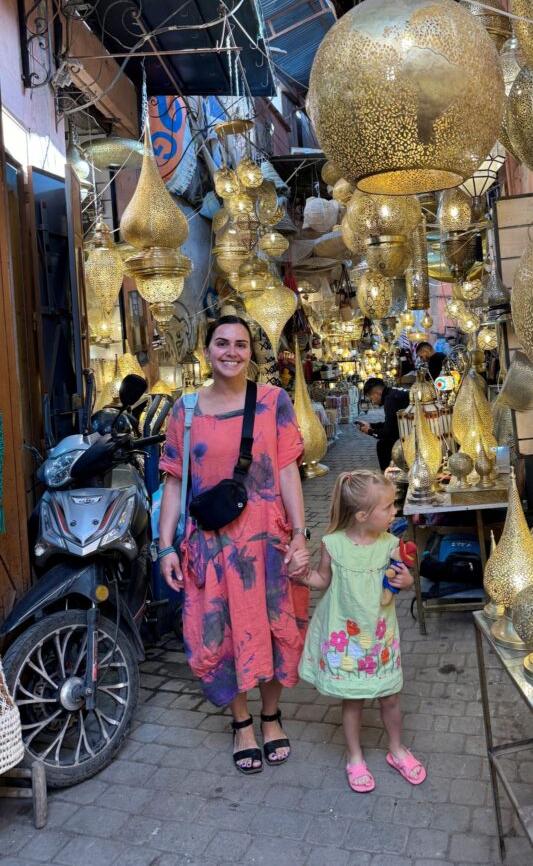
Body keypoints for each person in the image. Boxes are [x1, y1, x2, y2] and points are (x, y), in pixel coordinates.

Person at [158, 315, 310, 775]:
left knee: (277, 626)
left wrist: (301, 534)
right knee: (218, 633)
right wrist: (164, 547)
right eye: (222, 343)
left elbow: (287, 471)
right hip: (212, 546)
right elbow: (172, 482)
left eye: (241, 344)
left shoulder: (273, 401)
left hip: (268, 541)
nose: (231, 351)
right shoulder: (184, 411)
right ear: (206, 351)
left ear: (251, 353)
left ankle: (271, 716)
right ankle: (241, 721)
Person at [291, 470, 426, 793]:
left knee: (390, 696)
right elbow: (322, 581)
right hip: (347, 639)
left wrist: (406, 582)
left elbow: (402, 578)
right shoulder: (333, 545)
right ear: (363, 515)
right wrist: (300, 576)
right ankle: (354, 756)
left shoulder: (391, 544)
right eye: (389, 507)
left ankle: (396, 749)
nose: (395, 512)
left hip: (380, 638)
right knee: (353, 700)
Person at [356, 378, 409, 471]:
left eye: (371, 398)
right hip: (409, 428)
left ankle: (389, 476)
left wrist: (370, 431)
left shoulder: (390, 400)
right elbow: (391, 424)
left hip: (411, 434)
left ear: (377, 393)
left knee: (383, 445)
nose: (372, 401)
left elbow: (389, 432)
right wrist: (370, 425)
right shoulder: (393, 394)